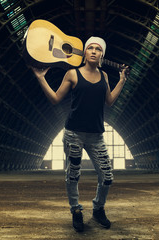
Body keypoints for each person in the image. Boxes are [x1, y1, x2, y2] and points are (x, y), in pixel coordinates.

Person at [31, 36, 128, 232]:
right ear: (84, 53)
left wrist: (122, 80)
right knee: (73, 175)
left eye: (97, 49)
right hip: (73, 133)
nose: (93, 51)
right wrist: (41, 78)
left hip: (96, 136)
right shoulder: (72, 74)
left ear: (102, 55)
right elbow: (56, 99)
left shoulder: (105, 77)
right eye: (90, 48)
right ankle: (76, 210)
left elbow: (109, 101)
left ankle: (98, 208)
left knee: (107, 176)